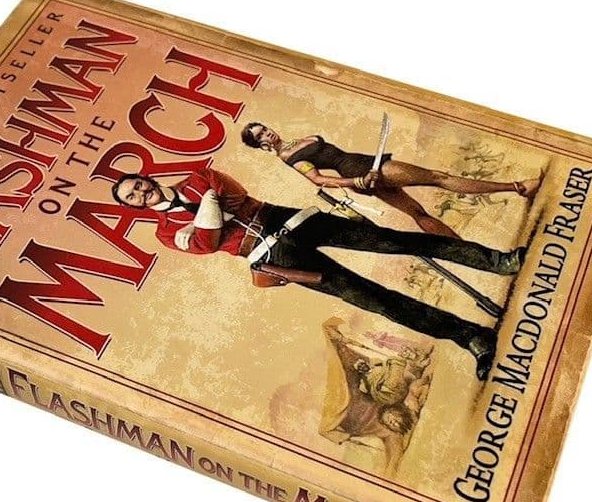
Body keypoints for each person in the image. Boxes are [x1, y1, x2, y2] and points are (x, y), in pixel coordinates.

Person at [111, 167, 526, 379]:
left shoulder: (200, 176)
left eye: (138, 185)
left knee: (398, 241)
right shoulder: (165, 232)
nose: (141, 193)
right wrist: (209, 206)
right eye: (133, 197)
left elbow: (229, 204)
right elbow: (206, 242)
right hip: (277, 258)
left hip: (293, 221)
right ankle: (472, 337)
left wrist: (207, 212)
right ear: (134, 207)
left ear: (147, 178)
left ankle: (497, 261)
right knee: (376, 301)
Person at [240, 121, 542, 238]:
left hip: (363, 164)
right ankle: (519, 188)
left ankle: (469, 251)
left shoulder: (297, 140)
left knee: (417, 213)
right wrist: (356, 182)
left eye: (264, 129)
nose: (268, 134)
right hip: (360, 171)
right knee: (438, 178)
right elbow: (319, 180)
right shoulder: (289, 157)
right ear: (261, 145)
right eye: (261, 136)